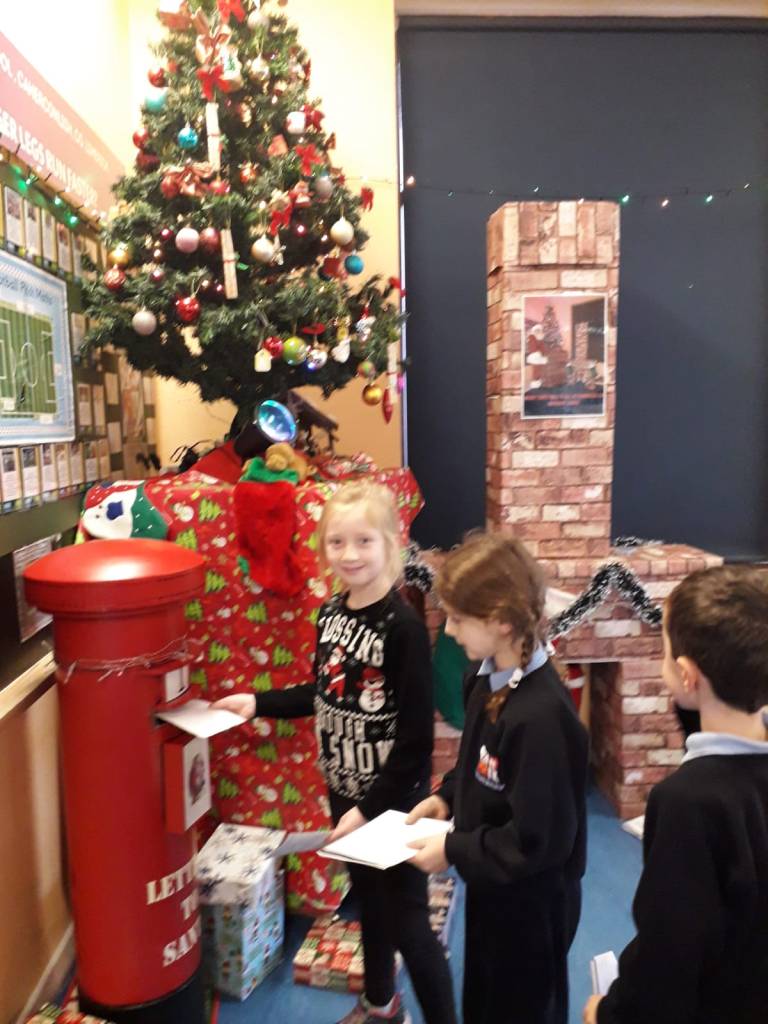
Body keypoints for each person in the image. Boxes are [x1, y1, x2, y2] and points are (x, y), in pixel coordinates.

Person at [213, 480, 457, 1024]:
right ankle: (380, 1005)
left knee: (410, 925)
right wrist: (257, 702)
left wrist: (369, 810)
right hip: (344, 791)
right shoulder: (330, 614)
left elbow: (416, 744)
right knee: (370, 902)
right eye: (337, 542)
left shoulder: (404, 628)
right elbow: (322, 693)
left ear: (390, 543)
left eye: (364, 541)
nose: (350, 555)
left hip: (394, 803)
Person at [407, 533, 588, 1024]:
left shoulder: (541, 719)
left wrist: (453, 849)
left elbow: (537, 843)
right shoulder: (485, 679)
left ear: (502, 620)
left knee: (519, 1008)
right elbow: (481, 766)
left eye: (458, 618)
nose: (448, 631)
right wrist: (448, 797)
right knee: (485, 1000)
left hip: (530, 906)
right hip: (494, 885)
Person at [583, 565, 768, 1024]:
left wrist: (609, 1014)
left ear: (687, 675)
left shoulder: (687, 802)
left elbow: (670, 951)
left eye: (664, 652)